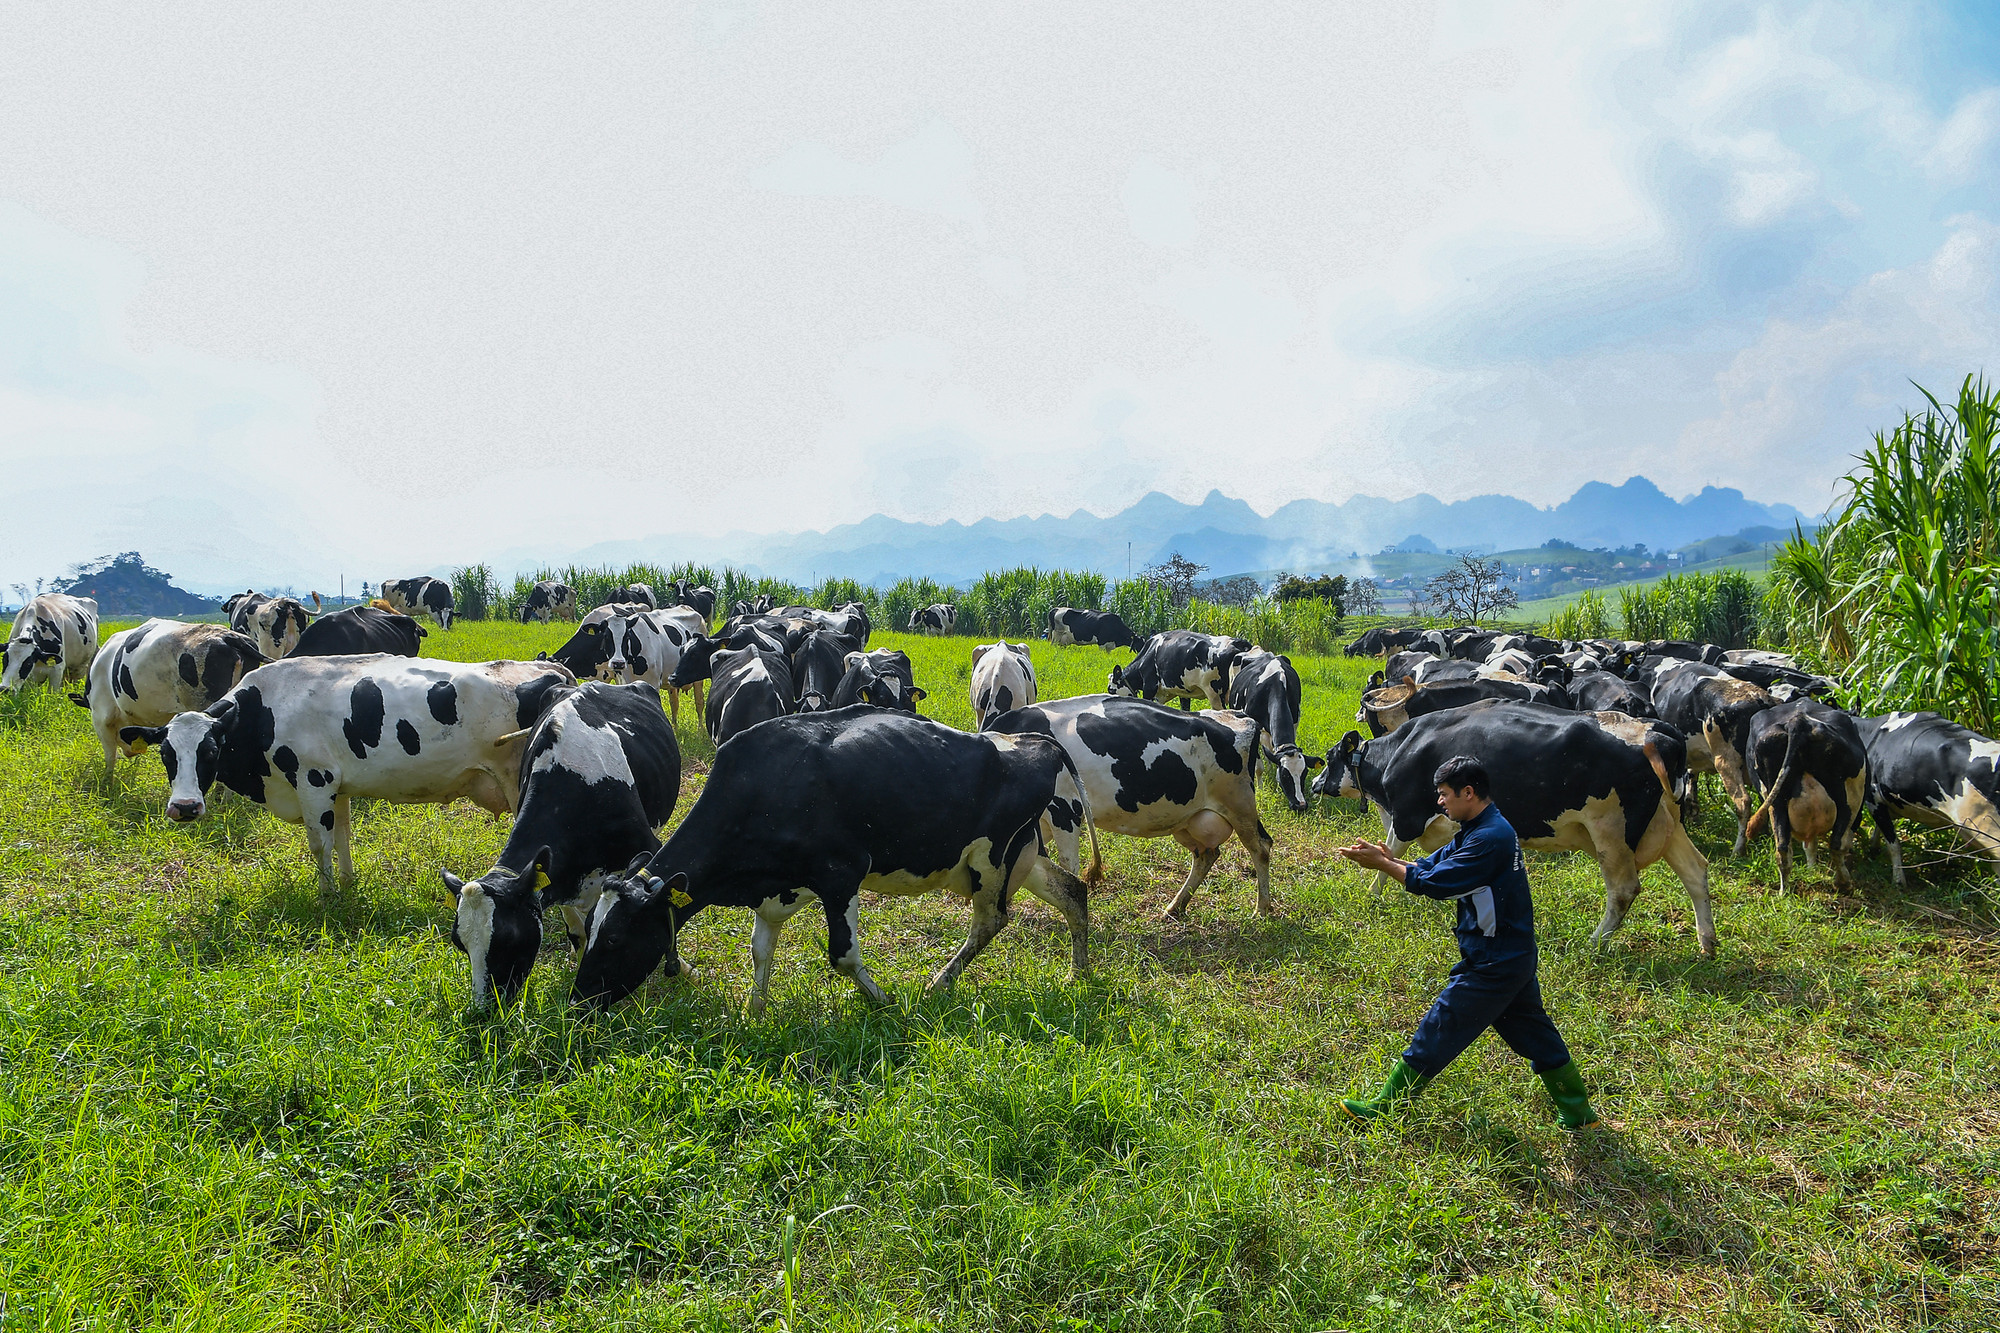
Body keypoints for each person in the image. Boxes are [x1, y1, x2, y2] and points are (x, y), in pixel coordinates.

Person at [1334, 755, 1599, 1129]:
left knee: (1440, 1024)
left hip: (1493, 961)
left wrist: (1383, 867)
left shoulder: (1490, 839)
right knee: (1534, 1033)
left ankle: (1386, 1107)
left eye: (1444, 795)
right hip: (1511, 953)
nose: (1440, 802)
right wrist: (1391, 859)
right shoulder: (1484, 827)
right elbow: (1431, 866)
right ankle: (1578, 1112)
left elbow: (1434, 884)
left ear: (1468, 793)